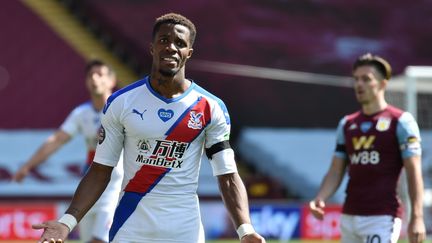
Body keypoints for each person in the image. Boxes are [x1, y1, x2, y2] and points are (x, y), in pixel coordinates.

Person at [33, 13, 266, 243]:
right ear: (152, 48)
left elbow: (227, 175)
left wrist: (245, 230)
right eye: (164, 40)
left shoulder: (211, 107)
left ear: (189, 53)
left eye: (180, 43)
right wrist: (67, 222)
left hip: (185, 231)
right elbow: (100, 170)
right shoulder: (121, 102)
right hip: (130, 228)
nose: (171, 47)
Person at [309, 53, 426, 243]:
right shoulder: (347, 124)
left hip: (382, 216)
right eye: (356, 79)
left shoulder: (402, 122)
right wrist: (320, 197)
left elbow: (414, 173)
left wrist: (417, 217)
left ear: (382, 84)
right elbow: (336, 170)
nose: (359, 84)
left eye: (366, 79)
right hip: (349, 217)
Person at [13, 60, 123, 243]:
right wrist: (27, 165)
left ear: (112, 81)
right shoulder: (82, 114)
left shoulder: (122, 110)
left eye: (100, 74)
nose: (95, 78)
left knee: (100, 241)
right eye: (90, 75)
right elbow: (57, 139)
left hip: (116, 189)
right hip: (91, 189)